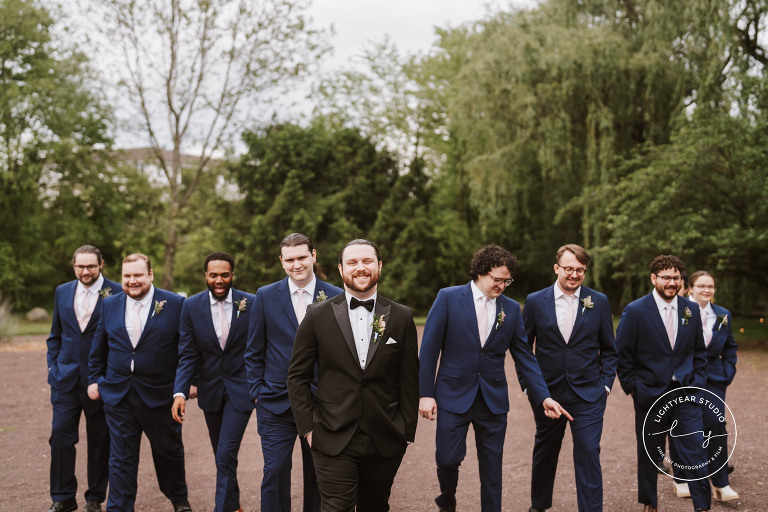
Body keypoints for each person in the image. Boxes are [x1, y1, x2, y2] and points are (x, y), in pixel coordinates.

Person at [418, 244, 572, 512]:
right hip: (453, 395)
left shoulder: (510, 308)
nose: (502, 285)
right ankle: (447, 500)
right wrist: (426, 394)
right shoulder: (448, 298)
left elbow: (525, 356)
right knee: (447, 460)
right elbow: (429, 350)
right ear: (480, 272)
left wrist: (544, 396)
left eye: (507, 281)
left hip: (493, 400)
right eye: (497, 279)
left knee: (492, 469)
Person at [287, 239, 418, 511]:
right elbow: (297, 376)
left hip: (385, 436)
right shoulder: (317, 315)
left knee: (375, 506)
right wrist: (308, 429)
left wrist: (406, 430)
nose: (360, 268)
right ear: (341, 269)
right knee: (336, 507)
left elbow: (408, 378)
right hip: (331, 434)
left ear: (379, 266)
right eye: (352, 262)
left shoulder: (402, 316)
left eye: (367, 261)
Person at [245, 233, 342, 512]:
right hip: (275, 401)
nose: (296, 265)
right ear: (281, 261)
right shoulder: (265, 296)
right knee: (274, 470)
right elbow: (253, 350)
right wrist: (257, 392)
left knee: (319, 475)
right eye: (289, 260)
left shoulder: (336, 296)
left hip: (322, 402)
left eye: (301, 257)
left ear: (313, 255)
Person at [88, 253, 191, 512]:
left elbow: (188, 349)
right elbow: (98, 347)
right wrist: (94, 380)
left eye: (138, 275)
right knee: (121, 457)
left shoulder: (175, 304)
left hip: (160, 394)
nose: (132, 281)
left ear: (150, 275)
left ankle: (179, 499)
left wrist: (187, 384)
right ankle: (119, 507)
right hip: (119, 394)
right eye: (127, 276)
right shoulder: (109, 304)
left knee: (168, 451)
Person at [521, 244, 618, 512]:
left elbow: (610, 349)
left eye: (580, 270)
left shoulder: (598, 301)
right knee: (546, 450)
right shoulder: (535, 301)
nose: (574, 275)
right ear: (557, 268)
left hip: (589, 393)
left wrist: (605, 386)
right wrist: (531, 389)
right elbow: (523, 349)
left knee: (588, 451)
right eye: (569, 269)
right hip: (547, 393)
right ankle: (539, 506)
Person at [616, 254, 710, 512]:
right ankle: (650, 503)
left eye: (676, 278)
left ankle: (702, 506)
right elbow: (622, 354)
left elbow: (699, 351)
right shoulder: (635, 310)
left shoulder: (690, 309)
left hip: (685, 393)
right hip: (649, 394)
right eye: (666, 277)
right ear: (653, 278)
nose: (671, 282)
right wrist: (633, 388)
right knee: (650, 453)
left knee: (695, 450)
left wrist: (697, 382)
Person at [172, 252, 256, 512]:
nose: (219, 280)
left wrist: (258, 383)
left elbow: (259, 347)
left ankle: (223, 508)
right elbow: (187, 353)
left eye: (224, 275)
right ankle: (234, 503)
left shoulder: (251, 303)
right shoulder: (191, 306)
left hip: (241, 390)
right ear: (205, 276)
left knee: (226, 452)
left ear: (232, 275)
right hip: (210, 392)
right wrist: (180, 392)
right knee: (222, 453)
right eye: (213, 275)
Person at [46, 245, 122, 512]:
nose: (85, 271)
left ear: (101, 264)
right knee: (60, 436)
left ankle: (94, 498)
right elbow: (55, 335)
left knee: (100, 439)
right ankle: (63, 497)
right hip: (65, 379)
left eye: (91, 266)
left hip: (100, 380)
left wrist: (109, 377)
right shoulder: (62, 291)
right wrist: (53, 368)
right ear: (74, 265)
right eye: (80, 266)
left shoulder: (117, 292)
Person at [684, 270, 739, 502]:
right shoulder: (679, 311)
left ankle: (721, 483)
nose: (707, 290)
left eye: (710, 286)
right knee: (685, 425)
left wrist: (728, 370)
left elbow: (730, 346)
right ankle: (684, 477)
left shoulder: (723, 314)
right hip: (685, 377)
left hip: (715, 378)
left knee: (716, 423)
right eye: (701, 286)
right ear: (690, 288)